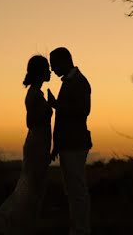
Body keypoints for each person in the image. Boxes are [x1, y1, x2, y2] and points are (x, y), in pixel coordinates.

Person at [0, 55, 53, 234]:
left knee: (33, 187)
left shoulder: (37, 93)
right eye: (47, 68)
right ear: (40, 72)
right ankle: (12, 225)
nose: (50, 71)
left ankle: (21, 225)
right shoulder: (34, 94)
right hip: (36, 145)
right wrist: (49, 111)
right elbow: (30, 122)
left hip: (39, 144)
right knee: (31, 187)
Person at [48, 47, 92, 235]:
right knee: (72, 191)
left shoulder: (79, 82)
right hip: (68, 144)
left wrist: (57, 105)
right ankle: (77, 229)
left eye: (54, 65)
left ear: (65, 61)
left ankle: (81, 230)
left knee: (77, 191)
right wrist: (57, 145)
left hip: (75, 144)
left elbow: (83, 111)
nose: (52, 70)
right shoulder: (70, 81)